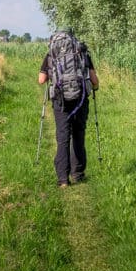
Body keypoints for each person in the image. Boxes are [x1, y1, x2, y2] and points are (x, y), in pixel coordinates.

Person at [38, 33, 99, 188]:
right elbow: (94, 80)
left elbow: (41, 80)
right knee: (78, 135)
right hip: (80, 99)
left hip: (60, 101)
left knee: (63, 138)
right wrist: (95, 87)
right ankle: (77, 174)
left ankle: (63, 180)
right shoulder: (82, 52)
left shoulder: (51, 53)